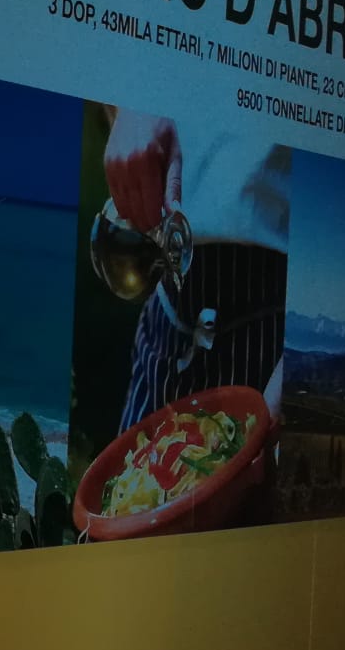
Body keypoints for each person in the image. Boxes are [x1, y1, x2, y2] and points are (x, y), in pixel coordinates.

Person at [99, 111, 289, 430]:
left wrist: (296, 376)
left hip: (270, 341)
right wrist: (129, 108)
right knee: (128, 465)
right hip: (164, 321)